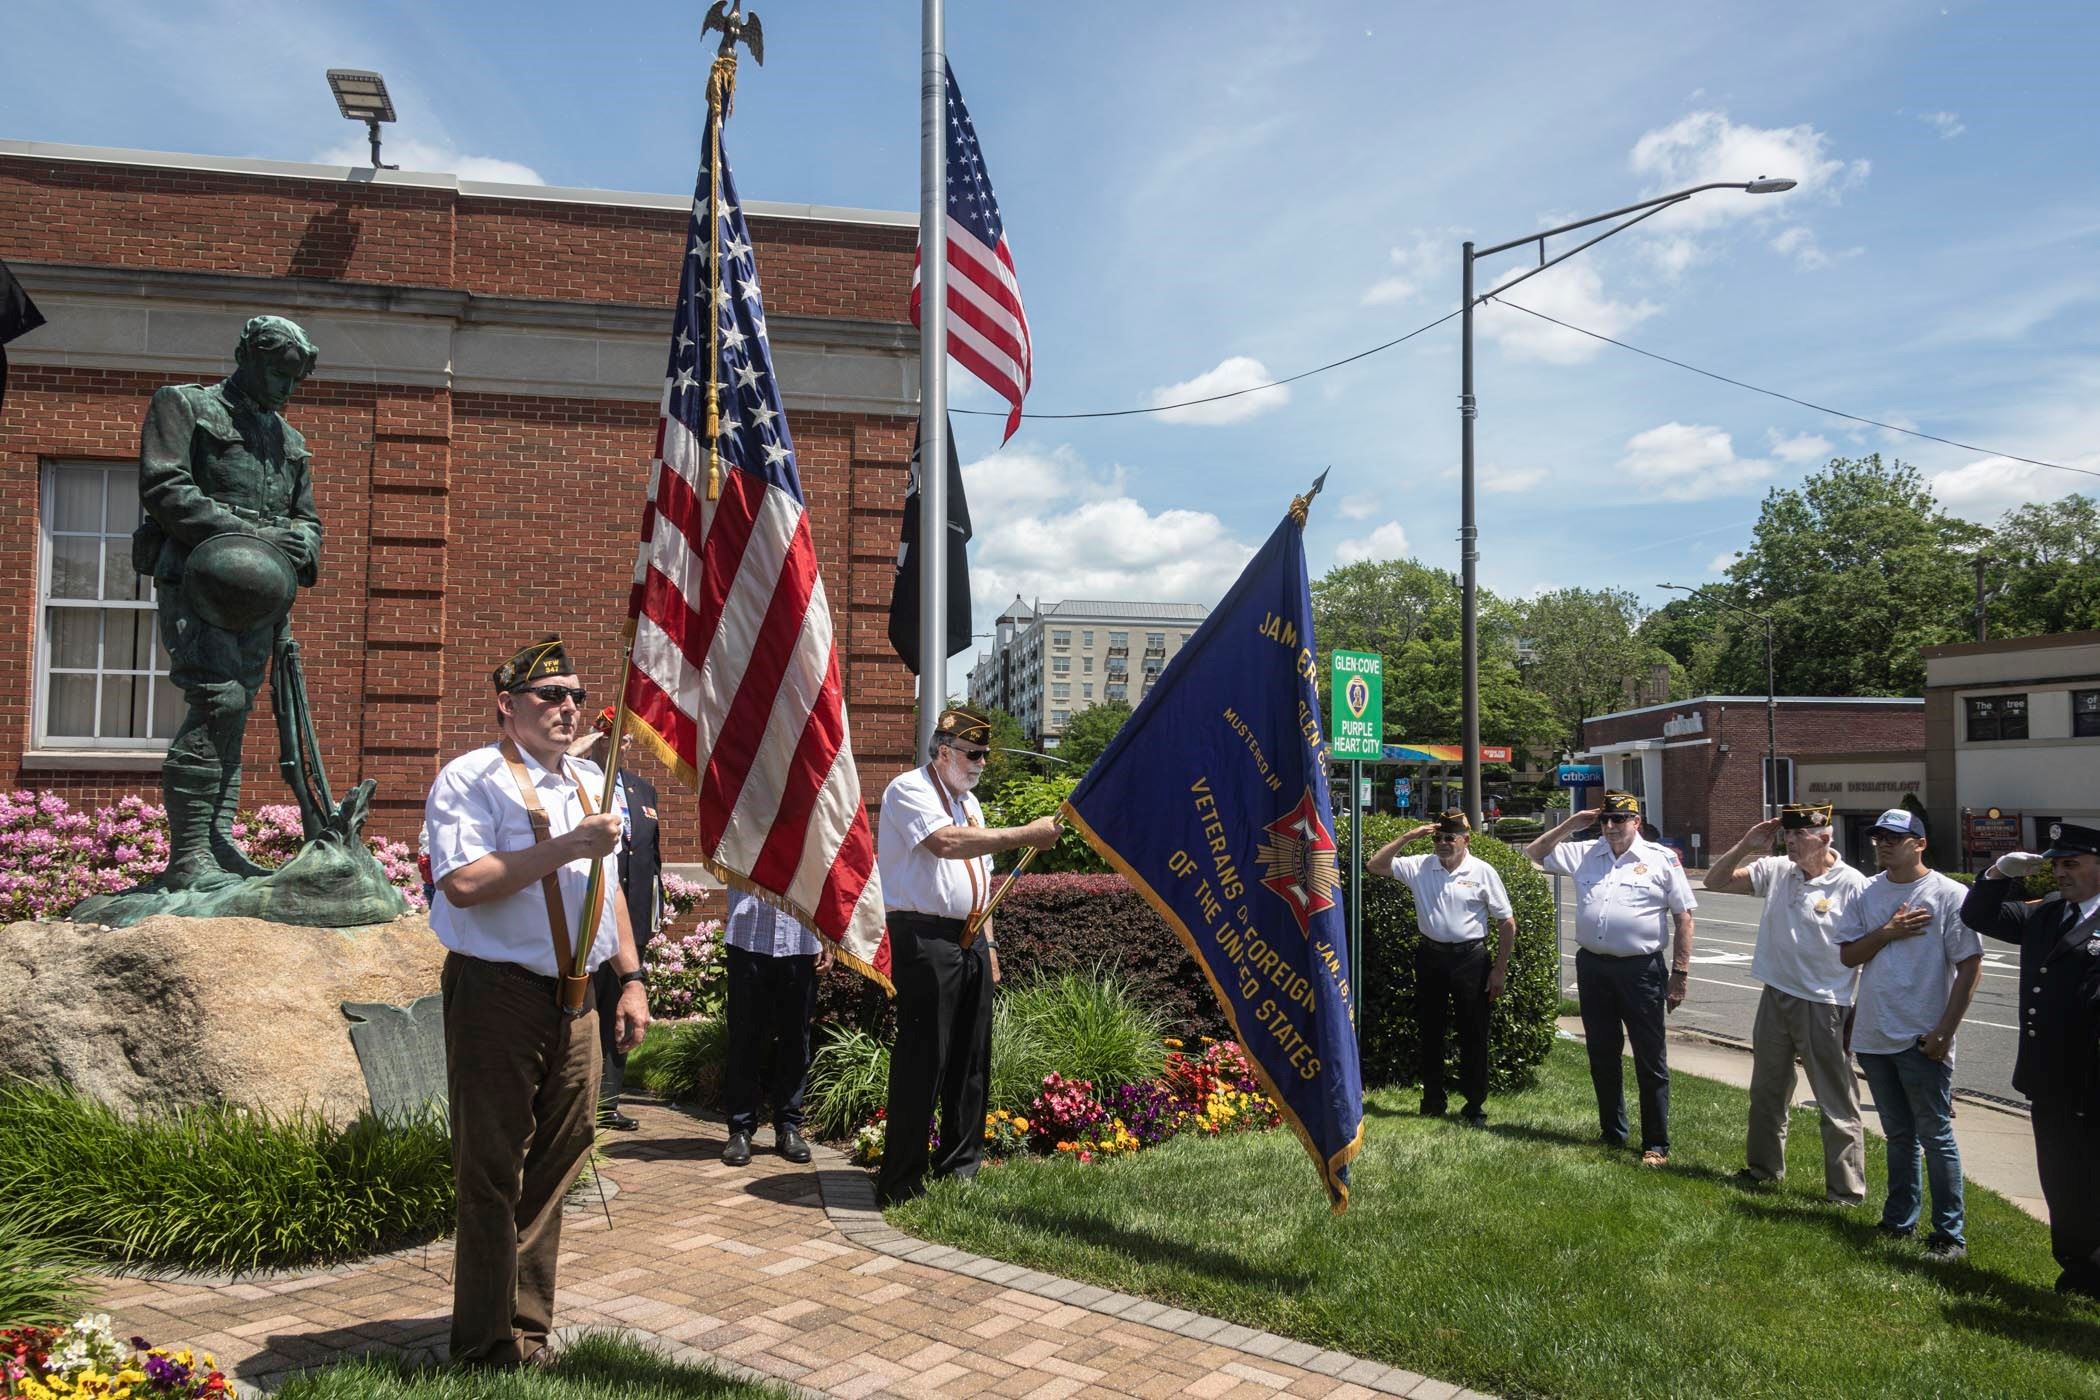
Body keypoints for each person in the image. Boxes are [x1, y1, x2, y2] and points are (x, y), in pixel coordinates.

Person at [425, 637, 652, 1369]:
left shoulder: (594, 781)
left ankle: (526, 1330)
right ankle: (483, 1344)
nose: (567, 708)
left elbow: (607, 886)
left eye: (576, 696)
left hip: (578, 998)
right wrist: (568, 845)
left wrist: (634, 977)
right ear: (507, 705)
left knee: (561, 1161)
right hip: (498, 993)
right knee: (492, 1169)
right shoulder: (472, 778)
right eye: (549, 696)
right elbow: (462, 882)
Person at [136, 315, 323, 890]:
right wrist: (258, 535)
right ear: (246, 357)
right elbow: (167, 488)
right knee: (216, 701)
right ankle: (189, 856)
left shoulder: (288, 439)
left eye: (294, 378)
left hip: (263, 596)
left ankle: (218, 843)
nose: (285, 388)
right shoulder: (186, 406)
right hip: (201, 583)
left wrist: (301, 542)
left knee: (237, 713)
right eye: (276, 372)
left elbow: (308, 521)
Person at [874, 706, 1061, 1206]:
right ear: (943, 752)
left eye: (984, 754)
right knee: (924, 1058)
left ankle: (960, 1167)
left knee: (971, 1058)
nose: (981, 763)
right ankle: (902, 1180)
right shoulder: (909, 789)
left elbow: (983, 880)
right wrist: (1024, 833)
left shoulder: (970, 803)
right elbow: (944, 844)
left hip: (972, 937)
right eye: (973, 753)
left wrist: (991, 945)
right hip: (925, 937)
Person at [1959, 819, 2100, 1297]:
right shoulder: (2048, 915)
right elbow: (1978, 916)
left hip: (2092, 1080)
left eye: (2073, 864)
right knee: (2061, 1178)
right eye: (2057, 864)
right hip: (2048, 1080)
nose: (2061, 873)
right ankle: (2076, 1267)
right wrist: (1998, 873)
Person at [1704, 804, 1870, 1203]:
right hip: (1776, 994)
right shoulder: (1778, 870)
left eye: (1800, 836)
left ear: (1825, 838)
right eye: (1787, 835)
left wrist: (1857, 1010)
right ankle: (1763, 1171)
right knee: (1766, 1091)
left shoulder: (1854, 885)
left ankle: (1846, 1192)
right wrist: (1747, 844)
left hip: (1825, 1003)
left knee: (1836, 1100)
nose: (1791, 842)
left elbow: (1870, 949)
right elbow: (1715, 881)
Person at [1836, 807, 1981, 1262]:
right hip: (1875, 1034)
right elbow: (1848, 956)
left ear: (1919, 843)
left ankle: (1949, 1235)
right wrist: (1889, 931)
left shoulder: (1949, 895)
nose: (1882, 844)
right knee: (1898, 1135)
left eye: (1894, 838)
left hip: (1923, 1036)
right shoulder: (1867, 892)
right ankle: (1899, 1220)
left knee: (1935, 1135)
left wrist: (1944, 1031)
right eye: (1878, 837)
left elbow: (1970, 965)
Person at [1526, 791, 1697, 1167]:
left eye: (1619, 820)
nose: (1610, 827)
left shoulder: (1661, 859)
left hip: (1641, 971)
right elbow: (1533, 854)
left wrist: (1680, 973)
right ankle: (1612, 1132)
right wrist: (1573, 823)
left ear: (1636, 822)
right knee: (1602, 1054)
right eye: (1605, 820)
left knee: (1649, 1059)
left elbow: (1684, 918)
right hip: (1594, 967)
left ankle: (1656, 1143)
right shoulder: (1587, 851)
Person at [1368, 808, 1516, 1125]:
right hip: (1431, 957)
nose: (1442, 843)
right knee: (1430, 1030)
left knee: (1473, 1033)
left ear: (1465, 839)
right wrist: (1409, 837)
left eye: (1450, 837)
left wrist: (1499, 969)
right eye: (1438, 837)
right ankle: (1433, 1100)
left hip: (1472, 960)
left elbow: (1506, 922)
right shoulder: (1421, 866)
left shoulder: (1482, 871)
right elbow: (1375, 865)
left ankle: (1474, 1105)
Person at [567, 708, 664, 1132]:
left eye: (626, 739)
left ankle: (608, 1102)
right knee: (584, 1011)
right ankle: (576, 1100)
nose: (621, 744)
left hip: (629, 920)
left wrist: (652, 912)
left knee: (621, 1009)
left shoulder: (643, 791)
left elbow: (651, 859)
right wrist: (586, 743)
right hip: (588, 917)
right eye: (612, 736)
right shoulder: (577, 784)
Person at [718, 888, 833, 1167]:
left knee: (795, 1039)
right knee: (745, 1037)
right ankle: (740, 1129)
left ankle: (788, 1126)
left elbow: (824, 868)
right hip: (749, 933)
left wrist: (828, 936)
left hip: (801, 937)